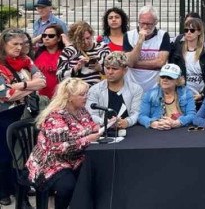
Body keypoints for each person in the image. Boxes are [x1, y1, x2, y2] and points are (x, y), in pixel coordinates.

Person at [26, 78, 100, 209]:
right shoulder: (55, 116)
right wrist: (88, 139)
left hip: (74, 158)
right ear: (69, 97)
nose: (86, 97)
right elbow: (60, 148)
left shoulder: (81, 109)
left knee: (96, 173)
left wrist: (100, 127)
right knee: (68, 186)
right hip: (50, 161)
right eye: (82, 94)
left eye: (86, 93)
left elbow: (89, 125)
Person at [0, 29, 46, 206]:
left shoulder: (26, 60)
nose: (19, 48)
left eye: (21, 44)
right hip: (4, 115)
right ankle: (3, 190)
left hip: (24, 112)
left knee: (22, 154)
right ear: (4, 45)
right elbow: (6, 95)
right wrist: (31, 86)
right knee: (5, 155)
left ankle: (19, 188)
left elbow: (42, 81)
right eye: (14, 44)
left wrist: (21, 85)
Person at [86, 52, 143, 132]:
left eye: (114, 69)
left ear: (125, 70)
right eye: (107, 68)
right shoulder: (95, 89)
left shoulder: (136, 89)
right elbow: (91, 114)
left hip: (130, 132)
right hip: (102, 131)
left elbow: (136, 113)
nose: (110, 72)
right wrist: (107, 122)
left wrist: (127, 122)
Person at [124, 5, 172, 92]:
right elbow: (130, 62)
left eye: (149, 24)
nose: (145, 27)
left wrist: (135, 63)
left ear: (156, 22)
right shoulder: (129, 35)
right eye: (142, 23)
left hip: (155, 86)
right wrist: (140, 41)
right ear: (138, 21)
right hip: (132, 85)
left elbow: (160, 62)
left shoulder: (163, 35)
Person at [138, 63, 196, 129]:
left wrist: (178, 122)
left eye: (169, 77)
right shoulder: (149, 94)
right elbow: (141, 116)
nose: (165, 79)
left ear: (177, 80)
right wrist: (153, 123)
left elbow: (192, 115)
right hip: (157, 131)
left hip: (180, 131)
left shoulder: (186, 93)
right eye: (162, 76)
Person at [169, 17, 205, 107]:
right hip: (182, 97)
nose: (188, 32)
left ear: (199, 32)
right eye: (186, 30)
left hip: (201, 98)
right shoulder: (178, 52)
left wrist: (203, 94)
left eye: (192, 30)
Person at [57, 21, 110, 86]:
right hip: (75, 90)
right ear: (74, 40)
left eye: (88, 38)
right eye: (81, 40)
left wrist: (100, 68)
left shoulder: (103, 48)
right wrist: (76, 68)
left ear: (92, 34)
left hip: (98, 90)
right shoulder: (69, 51)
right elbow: (59, 77)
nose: (86, 42)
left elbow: (114, 72)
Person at [33, 23, 65, 99]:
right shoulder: (37, 52)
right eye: (44, 35)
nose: (46, 38)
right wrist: (39, 37)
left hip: (58, 97)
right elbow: (24, 46)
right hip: (39, 97)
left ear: (59, 38)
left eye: (51, 36)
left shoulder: (65, 53)